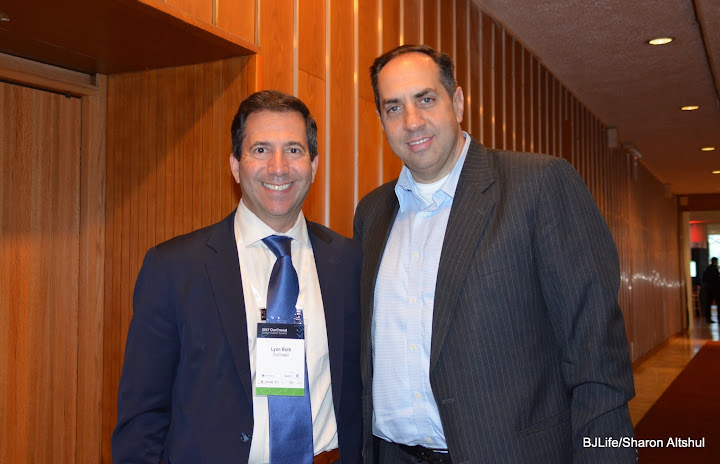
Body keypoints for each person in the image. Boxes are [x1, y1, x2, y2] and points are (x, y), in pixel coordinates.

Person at [353, 44, 636, 463]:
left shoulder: (538, 185)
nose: (412, 121)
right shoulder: (372, 213)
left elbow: (596, 352)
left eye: (426, 99)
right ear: (381, 121)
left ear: (458, 103)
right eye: (394, 108)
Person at [112, 90, 361, 464]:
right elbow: (142, 417)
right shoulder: (174, 268)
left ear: (313, 165)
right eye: (261, 150)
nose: (278, 167)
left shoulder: (350, 262)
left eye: (293, 150)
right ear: (235, 165)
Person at [701, 257, 720, 323]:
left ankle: (708, 318)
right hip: (716, 289)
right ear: (715, 262)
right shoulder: (715, 269)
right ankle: (719, 318)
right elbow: (717, 279)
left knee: (708, 304)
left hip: (708, 289)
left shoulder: (707, 269)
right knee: (718, 303)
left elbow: (704, 279)